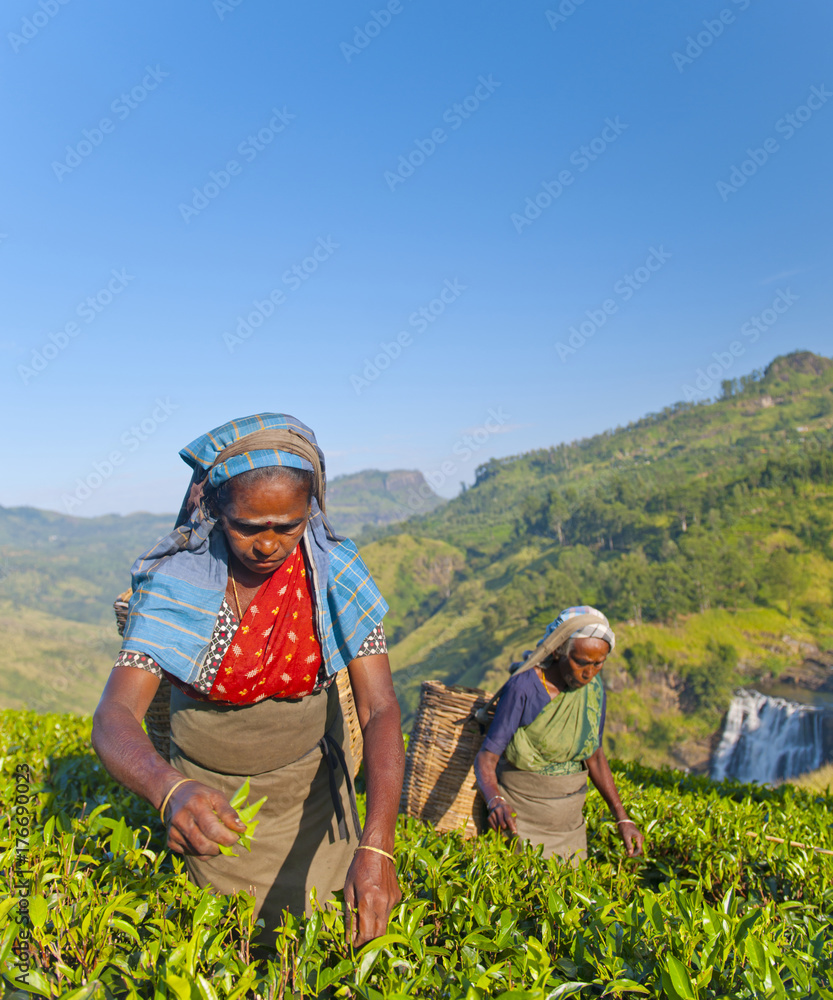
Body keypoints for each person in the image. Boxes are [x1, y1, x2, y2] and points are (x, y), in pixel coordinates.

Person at [92, 413, 404, 946]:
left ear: (312, 510)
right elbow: (113, 717)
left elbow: (380, 709)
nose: (269, 545)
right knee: (230, 954)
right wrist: (169, 789)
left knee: (327, 948)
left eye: (288, 525)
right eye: (248, 526)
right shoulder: (179, 585)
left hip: (313, 801)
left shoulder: (332, 574)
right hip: (211, 806)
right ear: (214, 510)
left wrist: (377, 845)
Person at [474, 606, 644, 863]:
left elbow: (594, 756)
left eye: (599, 664)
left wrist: (623, 818)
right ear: (557, 651)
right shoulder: (525, 688)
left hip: (569, 828)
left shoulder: (594, 690)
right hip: (520, 822)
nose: (588, 673)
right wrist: (495, 801)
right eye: (581, 662)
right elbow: (486, 759)